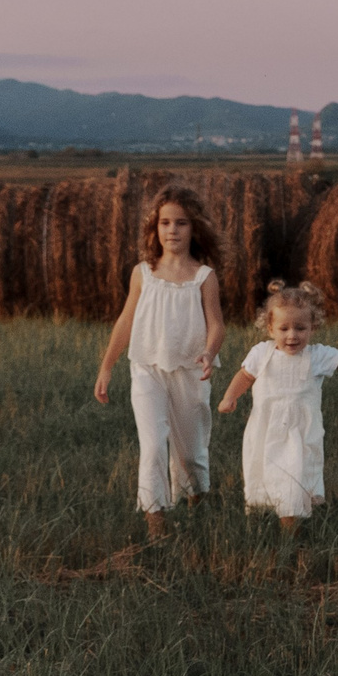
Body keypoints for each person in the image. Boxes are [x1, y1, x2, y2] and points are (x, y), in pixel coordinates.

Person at [218, 280, 338, 532]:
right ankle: (266, 529)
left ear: (313, 327)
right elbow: (245, 376)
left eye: (300, 328)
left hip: (300, 434)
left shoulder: (317, 356)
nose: (292, 335)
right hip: (266, 431)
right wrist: (230, 397)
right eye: (284, 328)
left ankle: (290, 536)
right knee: (267, 477)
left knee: (293, 481)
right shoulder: (261, 353)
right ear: (270, 328)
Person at [93, 187, 226, 538]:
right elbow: (125, 321)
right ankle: (157, 526)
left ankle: (198, 507)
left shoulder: (204, 277)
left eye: (181, 223)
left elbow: (217, 324)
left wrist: (209, 352)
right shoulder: (143, 273)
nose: (172, 230)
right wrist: (107, 366)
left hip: (189, 372)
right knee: (152, 446)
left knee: (191, 455)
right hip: (146, 369)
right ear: (155, 228)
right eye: (165, 223)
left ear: (194, 228)